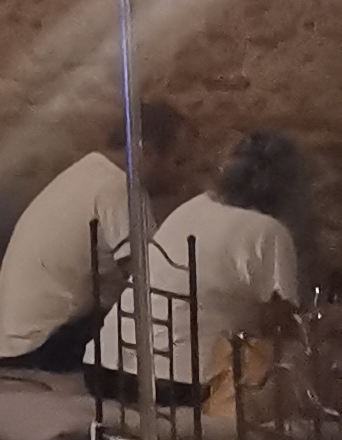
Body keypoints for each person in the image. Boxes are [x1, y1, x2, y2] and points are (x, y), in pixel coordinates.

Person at [93, 128, 313, 394]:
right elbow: (280, 325)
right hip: (173, 380)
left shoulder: (195, 206)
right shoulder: (269, 231)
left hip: (106, 367)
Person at [0, 99, 189, 370]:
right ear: (146, 152)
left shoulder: (89, 172)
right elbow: (150, 283)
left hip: (16, 341)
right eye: (178, 162)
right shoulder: (119, 188)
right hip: (47, 345)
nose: (182, 176)